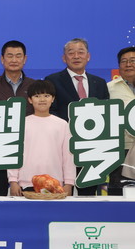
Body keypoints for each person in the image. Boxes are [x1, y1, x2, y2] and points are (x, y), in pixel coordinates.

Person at [45, 38, 109, 195]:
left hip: (91, 148)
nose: (76, 56)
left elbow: (106, 114)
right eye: (71, 53)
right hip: (64, 146)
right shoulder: (52, 80)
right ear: (64, 58)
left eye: (81, 52)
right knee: (60, 193)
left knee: (88, 194)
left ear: (88, 56)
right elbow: (51, 111)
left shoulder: (100, 83)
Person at [0, 40, 35, 196]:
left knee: (29, 192)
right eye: (9, 56)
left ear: (25, 59)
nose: (14, 60)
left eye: (18, 56)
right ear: (2, 59)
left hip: (29, 147)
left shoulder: (35, 85)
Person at [8, 80, 75, 196]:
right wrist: (13, 181)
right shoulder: (21, 124)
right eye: (37, 96)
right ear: (30, 99)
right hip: (26, 182)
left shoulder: (62, 124)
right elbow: (14, 153)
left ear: (53, 99)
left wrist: (69, 182)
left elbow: (68, 156)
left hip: (55, 184)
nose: (42, 99)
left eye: (46, 96)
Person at [107, 46, 135, 194]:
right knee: (119, 194)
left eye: (133, 60)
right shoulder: (109, 88)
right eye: (124, 61)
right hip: (120, 150)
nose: (128, 64)